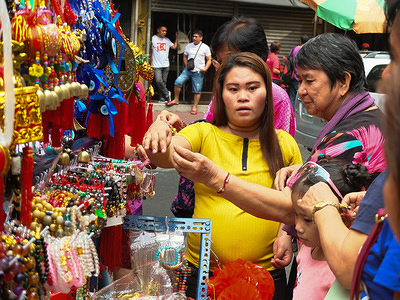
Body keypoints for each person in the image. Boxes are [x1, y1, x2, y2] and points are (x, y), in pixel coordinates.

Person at [143, 52, 302, 300]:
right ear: (220, 95)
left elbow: (295, 201)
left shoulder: (285, 144)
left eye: (252, 88)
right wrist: (160, 131)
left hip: (266, 274)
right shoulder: (203, 133)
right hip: (203, 272)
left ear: (268, 94)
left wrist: (285, 232)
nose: (243, 97)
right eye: (233, 89)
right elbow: (169, 155)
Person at [290, 156, 375, 299]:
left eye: (307, 219)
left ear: (343, 219)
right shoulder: (307, 247)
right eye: (295, 214)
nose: (298, 227)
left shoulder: (339, 271)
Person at [166, 29, 212, 115]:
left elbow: (209, 59)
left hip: (199, 71)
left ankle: (195, 107)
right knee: (177, 82)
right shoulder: (188, 46)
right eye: (193, 36)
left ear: (201, 38)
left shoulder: (205, 47)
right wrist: (187, 65)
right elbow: (185, 56)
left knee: (197, 90)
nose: (194, 38)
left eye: (196, 37)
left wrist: (205, 68)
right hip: (188, 70)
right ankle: (176, 99)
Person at [151, 25, 178, 103]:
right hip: (156, 65)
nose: (164, 32)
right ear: (158, 30)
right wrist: (151, 63)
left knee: (164, 82)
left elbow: (174, 47)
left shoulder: (167, 40)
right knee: (159, 81)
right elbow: (151, 51)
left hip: (166, 64)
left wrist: (177, 37)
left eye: (165, 31)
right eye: (163, 31)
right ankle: (167, 93)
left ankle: (162, 98)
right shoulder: (153, 39)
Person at [287, 35, 310, 108]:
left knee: (292, 96)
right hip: (300, 78)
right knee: (299, 98)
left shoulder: (293, 49)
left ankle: (291, 114)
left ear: (300, 41)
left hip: (292, 76)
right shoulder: (306, 51)